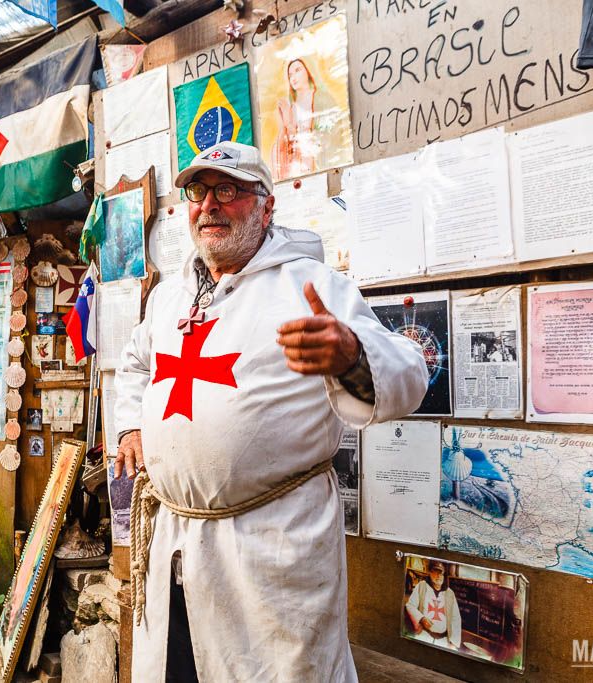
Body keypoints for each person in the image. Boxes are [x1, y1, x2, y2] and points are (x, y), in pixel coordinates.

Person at [113, 141, 428, 682]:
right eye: (197, 191)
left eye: (228, 190)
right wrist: (130, 426)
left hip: (269, 549)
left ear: (265, 206)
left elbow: (411, 374)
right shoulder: (170, 296)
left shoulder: (310, 286)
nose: (208, 204)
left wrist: (351, 354)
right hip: (176, 544)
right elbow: (135, 361)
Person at [272, 58, 339, 179]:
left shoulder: (322, 98)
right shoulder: (290, 106)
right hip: (297, 167)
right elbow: (288, 144)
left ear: (308, 71)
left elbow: (332, 132)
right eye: (290, 75)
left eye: (297, 70)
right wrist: (287, 123)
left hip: (319, 160)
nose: (293, 77)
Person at [404, 561, 462, 650]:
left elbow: (456, 619)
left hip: (443, 640)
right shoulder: (422, 586)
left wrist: (453, 643)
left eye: (441, 573)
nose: (438, 576)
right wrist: (421, 619)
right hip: (424, 635)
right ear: (430, 573)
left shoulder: (450, 593)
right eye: (436, 572)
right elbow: (410, 605)